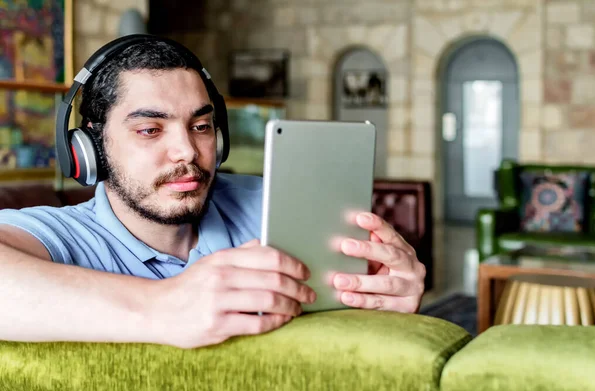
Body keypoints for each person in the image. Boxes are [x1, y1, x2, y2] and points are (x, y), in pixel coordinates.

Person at [0, 35, 425, 349]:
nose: (187, 150)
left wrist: (388, 298)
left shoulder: (270, 204)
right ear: (88, 149)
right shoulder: (63, 235)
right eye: (150, 130)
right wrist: (163, 305)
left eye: (201, 126)